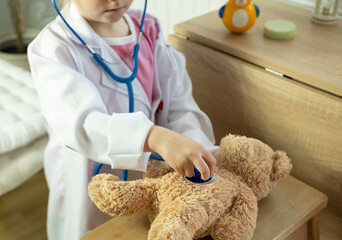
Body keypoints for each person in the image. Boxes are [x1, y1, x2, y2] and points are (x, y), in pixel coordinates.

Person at [28, 0, 217, 239]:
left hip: (148, 182)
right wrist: (153, 137)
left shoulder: (148, 30)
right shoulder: (53, 48)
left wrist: (200, 154)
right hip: (85, 185)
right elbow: (82, 124)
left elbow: (179, 107)